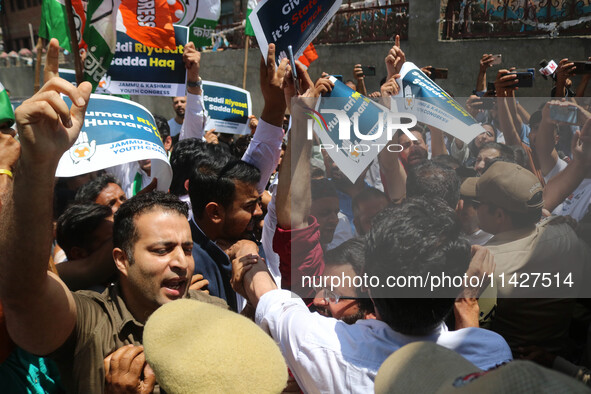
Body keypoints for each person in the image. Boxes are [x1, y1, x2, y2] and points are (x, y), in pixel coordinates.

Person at [0, 40, 227, 393]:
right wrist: (38, 164)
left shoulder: (215, 313)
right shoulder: (89, 321)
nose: (181, 262)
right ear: (120, 259)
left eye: (187, 247)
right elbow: (23, 293)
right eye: (162, 249)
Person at [235, 197, 511, 393]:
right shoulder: (492, 354)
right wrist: (466, 297)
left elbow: (269, 296)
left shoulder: (322, 345)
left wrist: (247, 255)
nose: (321, 300)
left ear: (366, 279)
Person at [461, 161, 590, 354]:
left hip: (504, 366)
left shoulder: (485, 265)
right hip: (558, 355)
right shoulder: (566, 233)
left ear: (499, 215)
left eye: (478, 203)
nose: (474, 209)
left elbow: (469, 337)